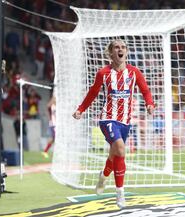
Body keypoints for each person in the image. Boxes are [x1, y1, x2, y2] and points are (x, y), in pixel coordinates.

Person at [72, 39, 155, 209]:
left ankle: (103, 176)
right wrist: (81, 109)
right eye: (117, 47)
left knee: (114, 155)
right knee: (121, 149)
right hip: (108, 119)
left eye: (123, 47)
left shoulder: (134, 72)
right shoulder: (103, 73)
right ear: (111, 53)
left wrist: (149, 103)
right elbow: (92, 93)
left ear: (127, 52)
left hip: (126, 121)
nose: (120, 49)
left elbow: (145, 90)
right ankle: (120, 194)